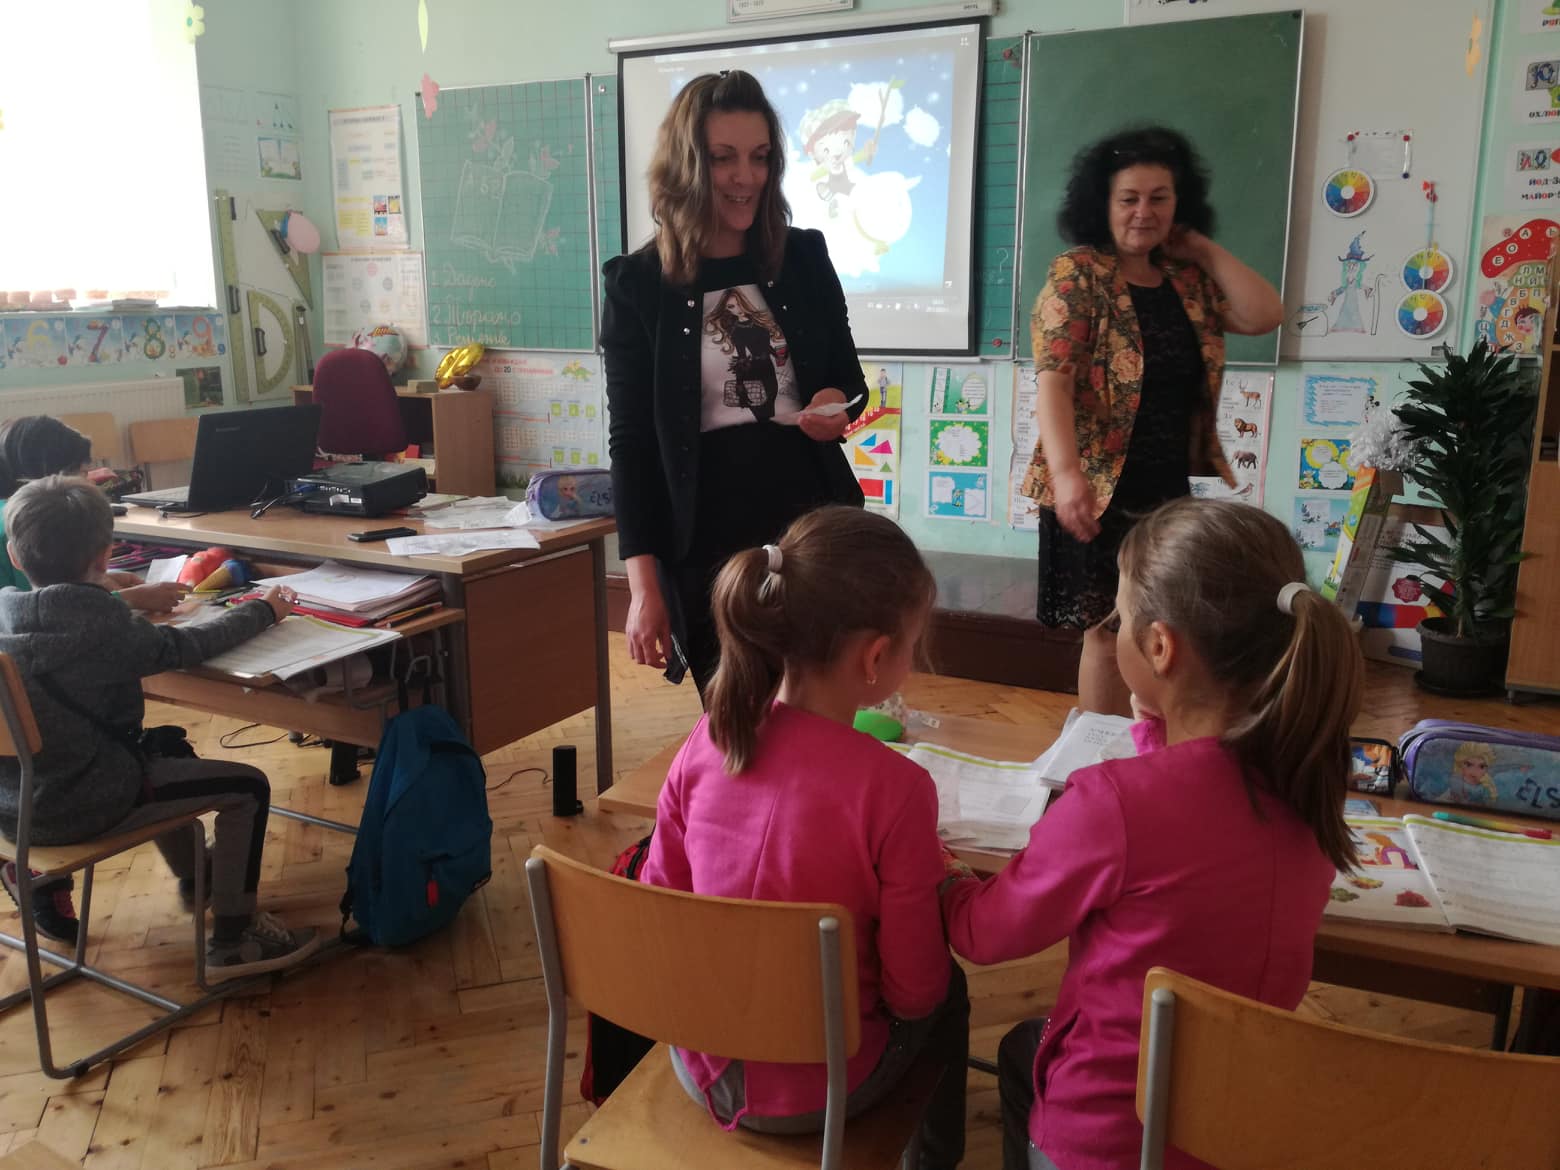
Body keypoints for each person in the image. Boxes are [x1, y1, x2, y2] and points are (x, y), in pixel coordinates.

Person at [940, 499, 1363, 1170]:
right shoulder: (1308, 778)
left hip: (1110, 1138)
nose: (1114, 628)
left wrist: (940, 870)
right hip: (1233, 1128)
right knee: (1025, 1047)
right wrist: (1157, 730)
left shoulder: (1112, 803)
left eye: (1119, 618)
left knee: (1024, 1053)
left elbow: (983, 935)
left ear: (1160, 647)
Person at [640, 506, 966, 1167]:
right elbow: (915, 993)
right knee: (950, 992)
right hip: (827, 1089)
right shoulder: (898, 790)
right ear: (876, 657)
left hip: (700, 1063)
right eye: (912, 644)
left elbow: (659, 901)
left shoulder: (707, 738)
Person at [602, 69, 869, 696]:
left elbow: (846, 378)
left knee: (820, 709)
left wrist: (834, 404)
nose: (745, 177)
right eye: (723, 158)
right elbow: (632, 445)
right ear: (686, 166)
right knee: (738, 724)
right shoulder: (638, 285)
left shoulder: (804, 257)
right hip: (705, 544)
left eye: (760, 157)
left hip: (812, 529)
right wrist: (643, 588)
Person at [0, 475, 319, 978]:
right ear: (106, 554)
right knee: (248, 786)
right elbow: (184, 648)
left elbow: (65, 613)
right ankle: (235, 940)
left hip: (15, 810)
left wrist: (121, 596)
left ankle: (200, 880)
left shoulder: (6, 614)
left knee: (168, 752)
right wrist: (264, 610)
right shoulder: (105, 626)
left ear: (15, 556)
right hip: (86, 801)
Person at [1019, 127, 1285, 716]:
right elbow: (1053, 381)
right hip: (1096, 485)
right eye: (1129, 198)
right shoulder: (1079, 273)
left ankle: (1146, 746)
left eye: (1159, 198)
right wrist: (1067, 476)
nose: (1144, 211)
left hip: (1164, 482)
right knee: (1107, 629)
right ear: (1103, 203)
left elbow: (1265, 313)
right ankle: (1097, 753)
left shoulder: (1186, 281)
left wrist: (1204, 249)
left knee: (1159, 624)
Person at [0, 416, 183, 614]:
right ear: (54, 479)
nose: (90, 482)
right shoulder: (22, 529)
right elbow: (46, 611)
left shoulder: (21, 518)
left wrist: (95, 583)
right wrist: (124, 599)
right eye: (82, 473)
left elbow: (46, 596)